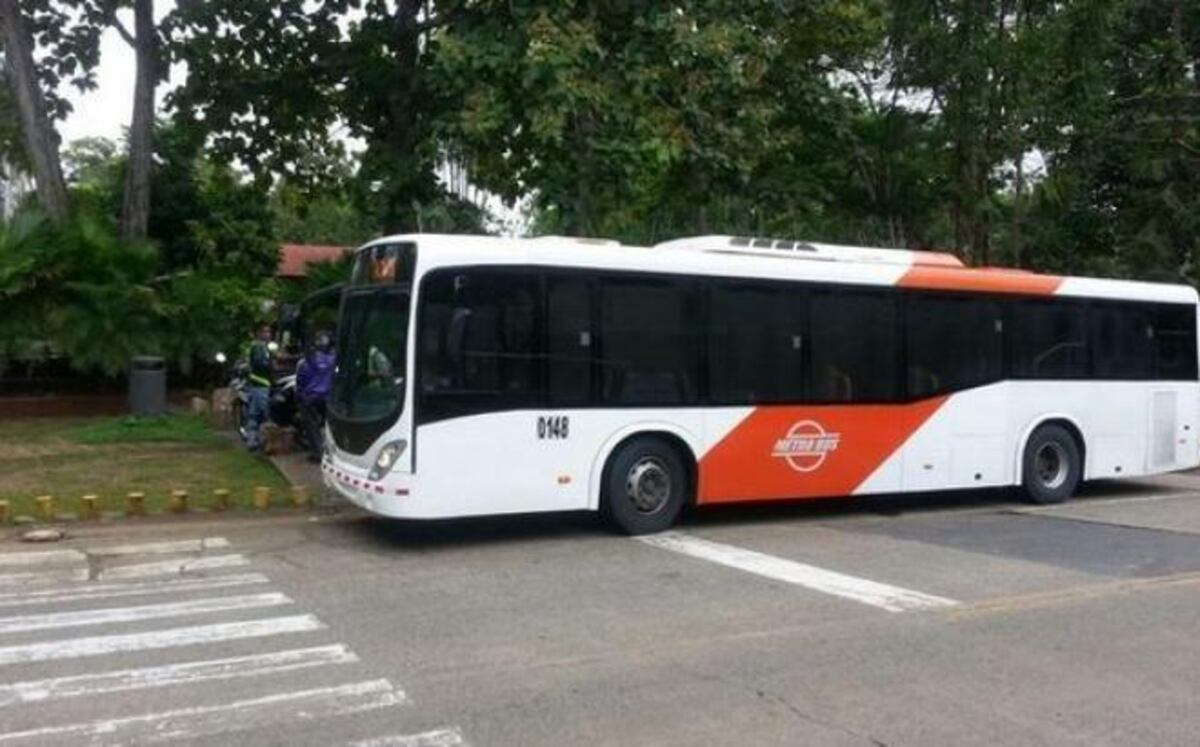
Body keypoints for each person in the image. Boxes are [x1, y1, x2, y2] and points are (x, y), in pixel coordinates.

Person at [296, 330, 335, 462]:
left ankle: (317, 453)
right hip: (326, 398)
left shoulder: (304, 363)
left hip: (310, 398)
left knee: (312, 427)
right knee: (329, 426)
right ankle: (331, 452)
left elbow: (300, 383)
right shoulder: (332, 361)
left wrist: (301, 397)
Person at [244, 324, 274, 452]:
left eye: (269, 332)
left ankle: (253, 441)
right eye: (265, 332)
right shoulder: (258, 347)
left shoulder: (264, 348)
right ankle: (253, 442)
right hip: (259, 385)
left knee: (255, 414)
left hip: (261, 385)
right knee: (260, 414)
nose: (268, 334)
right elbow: (260, 364)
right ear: (259, 334)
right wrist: (271, 365)